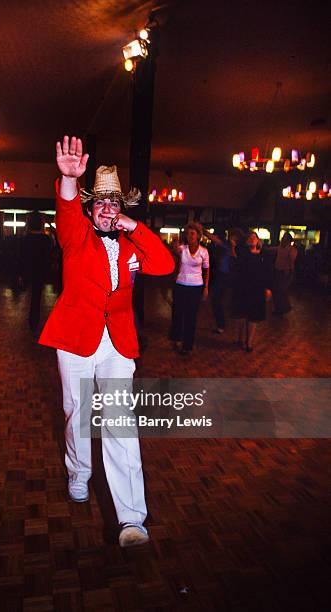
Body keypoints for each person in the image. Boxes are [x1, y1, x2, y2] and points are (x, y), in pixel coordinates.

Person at [38, 136, 174, 547]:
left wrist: (135, 227)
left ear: (122, 209)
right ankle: (79, 473)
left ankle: (132, 518)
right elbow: (64, 210)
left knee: (119, 423)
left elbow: (164, 264)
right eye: (100, 203)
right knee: (77, 411)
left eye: (115, 204)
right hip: (76, 338)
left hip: (118, 343)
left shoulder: (132, 242)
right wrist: (66, 178)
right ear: (90, 207)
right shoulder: (76, 234)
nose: (108, 210)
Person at [169, 222, 209, 355]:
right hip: (181, 284)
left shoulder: (204, 251)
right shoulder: (182, 249)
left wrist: (206, 288)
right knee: (178, 313)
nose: (190, 236)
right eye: (188, 233)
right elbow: (173, 255)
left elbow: (206, 270)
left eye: (193, 233)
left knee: (191, 316)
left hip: (196, 286)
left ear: (198, 235)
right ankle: (177, 338)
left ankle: (188, 345)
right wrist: (174, 249)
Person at [230, 231, 272, 352]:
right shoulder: (243, 253)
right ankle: (239, 339)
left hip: (257, 289)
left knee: (253, 317)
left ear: (259, 240)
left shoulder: (263, 255)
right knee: (241, 315)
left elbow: (267, 273)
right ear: (247, 241)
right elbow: (237, 266)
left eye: (255, 237)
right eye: (250, 237)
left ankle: (249, 343)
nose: (253, 239)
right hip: (243, 288)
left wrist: (268, 288)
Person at [203, 227, 244, 333]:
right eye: (231, 236)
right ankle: (221, 325)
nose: (231, 238)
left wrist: (234, 248)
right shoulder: (226, 245)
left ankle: (222, 325)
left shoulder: (239, 249)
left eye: (234, 237)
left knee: (219, 300)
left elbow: (236, 260)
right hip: (220, 275)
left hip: (228, 277)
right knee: (216, 300)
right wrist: (203, 230)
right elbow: (214, 239)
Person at [18, 212, 54, 332]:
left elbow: (21, 258)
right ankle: (34, 322)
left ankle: (31, 322)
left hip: (28, 270)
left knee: (29, 296)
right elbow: (49, 257)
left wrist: (20, 274)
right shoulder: (46, 239)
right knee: (36, 298)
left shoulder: (25, 239)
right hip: (40, 271)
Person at [270, 231, 297, 315]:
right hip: (278, 270)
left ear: (288, 240)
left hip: (286, 272)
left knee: (281, 290)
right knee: (277, 291)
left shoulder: (292, 249)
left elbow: (292, 260)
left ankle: (284, 308)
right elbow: (272, 249)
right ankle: (280, 309)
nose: (283, 239)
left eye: (285, 237)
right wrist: (262, 248)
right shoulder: (280, 247)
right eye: (283, 237)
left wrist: (287, 269)